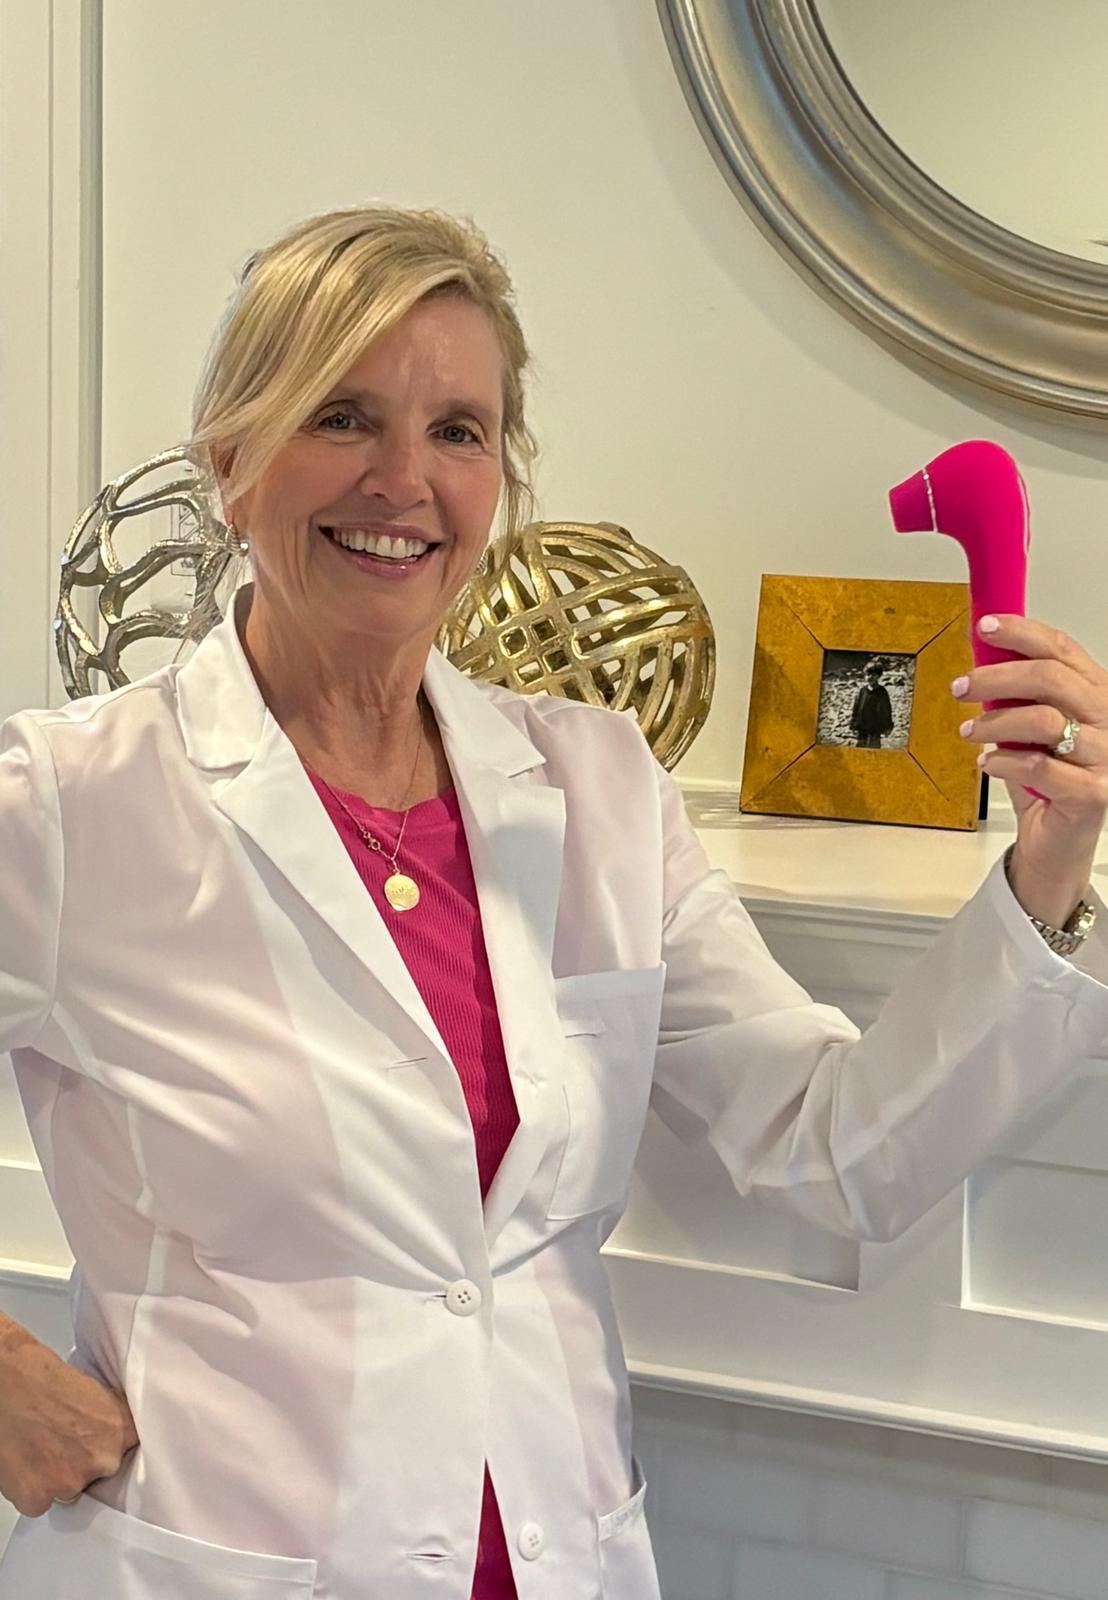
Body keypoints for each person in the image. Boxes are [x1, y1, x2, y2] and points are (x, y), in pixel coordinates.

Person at [0, 205, 1106, 1600]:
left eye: (458, 431)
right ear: (229, 459)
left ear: (500, 480)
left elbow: (836, 1150)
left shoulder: (597, 787)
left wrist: (1049, 869)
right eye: (343, 417)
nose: (404, 480)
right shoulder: (74, 800)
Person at [850, 658, 895, 748]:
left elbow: (887, 710)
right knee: (860, 749)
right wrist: (853, 724)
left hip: (875, 728)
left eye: (873, 675)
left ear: (879, 676)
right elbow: (856, 708)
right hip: (862, 728)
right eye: (868, 675)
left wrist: (888, 727)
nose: (870, 677)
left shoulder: (882, 692)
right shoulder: (862, 691)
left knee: (874, 750)